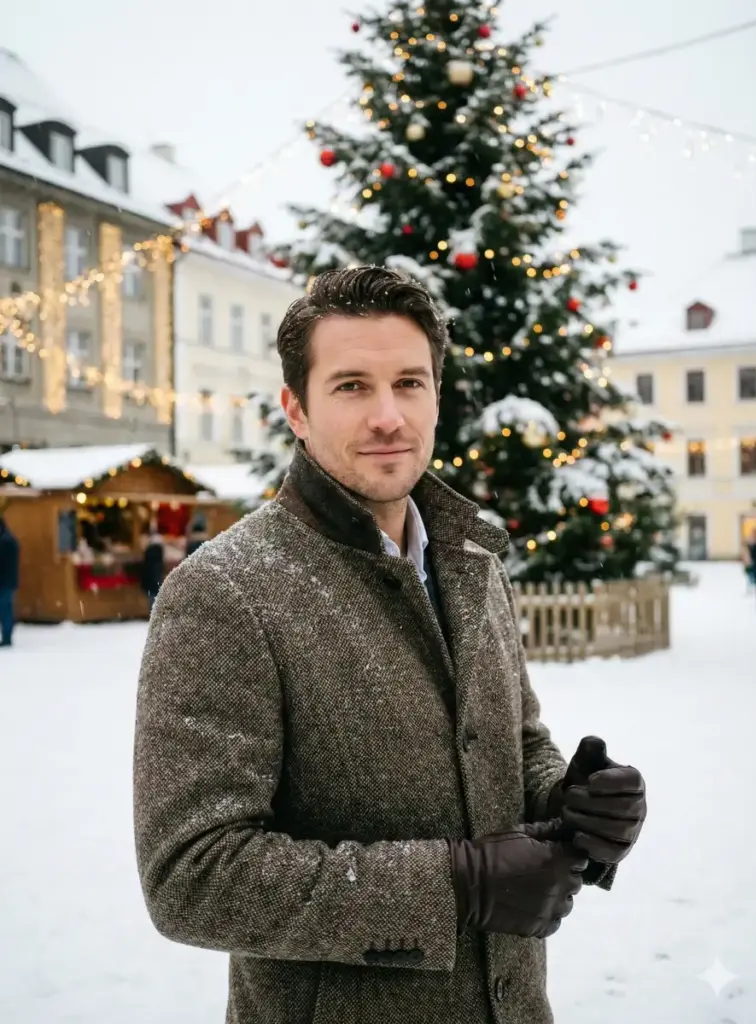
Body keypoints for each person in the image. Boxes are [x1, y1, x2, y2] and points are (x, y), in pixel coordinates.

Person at [133, 267, 648, 1024]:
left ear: (436, 397)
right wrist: (456, 885)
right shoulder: (225, 591)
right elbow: (192, 876)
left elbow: (515, 740)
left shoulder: (472, 562)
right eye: (350, 386)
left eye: (409, 383)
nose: (387, 415)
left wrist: (568, 799)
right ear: (296, 411)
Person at [0, 514, 20, 647]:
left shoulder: (5, 541)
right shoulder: (10, 539)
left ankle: (7, 637)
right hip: (8, 580)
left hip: (4, 581)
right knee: (6, 609)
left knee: (5, 609)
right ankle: (7, 635)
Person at [140, 527, 165, 613]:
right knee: (154, 595)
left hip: (151, 577)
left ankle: (153, 612)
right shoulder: (159, 551)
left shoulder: (150, 550)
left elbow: (147, 565)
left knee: (152, 596)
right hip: (155, 577)